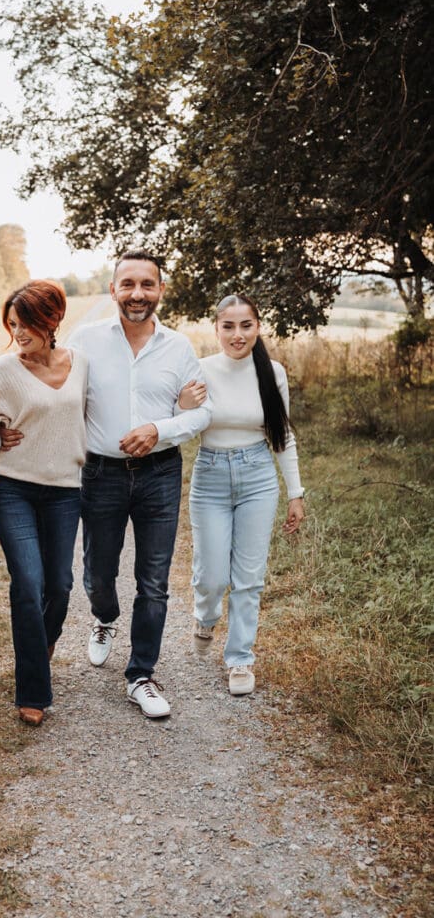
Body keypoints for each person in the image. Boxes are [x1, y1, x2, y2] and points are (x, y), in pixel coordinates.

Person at [66, 249, 211, 719]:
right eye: (127, 284)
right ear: (113, 290)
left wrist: (160, 429)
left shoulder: (179, 346)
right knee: (97, 575)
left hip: (160, 474)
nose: (137, 294)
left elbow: (202, 411)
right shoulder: (84, 341)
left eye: (147, 285)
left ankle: (141, 675)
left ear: (160, 291)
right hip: (101, 474)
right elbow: (59, 398)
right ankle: (105, 618)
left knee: (154, 580)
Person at [0, 280, 87, 728]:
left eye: (28, 324)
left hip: (64, 490)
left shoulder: (81, 364)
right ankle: (33, 690)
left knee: (59, 586)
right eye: (13, 324)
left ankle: (42, 642)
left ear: (53, 321)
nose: (19, 333)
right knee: (28, 582)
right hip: (13, 487)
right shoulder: (4, 369)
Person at [180, 293, 305, 696]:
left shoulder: (272, 372)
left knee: (248, 579)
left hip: (258, 478)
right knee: (213, 576)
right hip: (211, 474)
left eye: (245, 326)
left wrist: (295, 493)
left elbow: (282, 435)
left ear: (257, 327)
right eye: (228, 326)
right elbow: (180, 424)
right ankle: (205, 615)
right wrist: (182, 404)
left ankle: (240, 659)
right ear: (215, 328)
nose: (237, 335)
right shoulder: (198, 370)